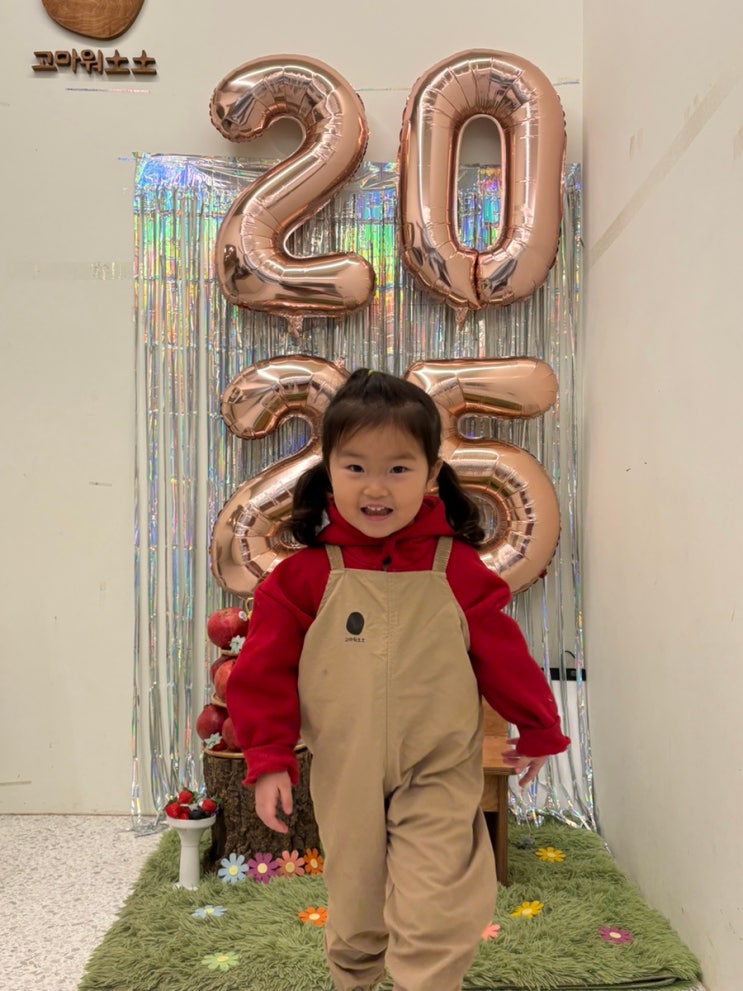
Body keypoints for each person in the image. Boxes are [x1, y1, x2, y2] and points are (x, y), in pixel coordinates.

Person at [226, 368, 570, 991]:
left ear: (432, 473)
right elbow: (263, 673)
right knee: (355, 900)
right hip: (346, 767)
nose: (376, 487)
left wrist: (540, 725)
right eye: (355, 467)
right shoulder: (303, 578)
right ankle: (354, 977)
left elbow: (504, 656)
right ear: (329, 470)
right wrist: (268, 756)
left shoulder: (456, 569)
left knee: (436, 900)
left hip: (438, 764)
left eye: (399, 468)